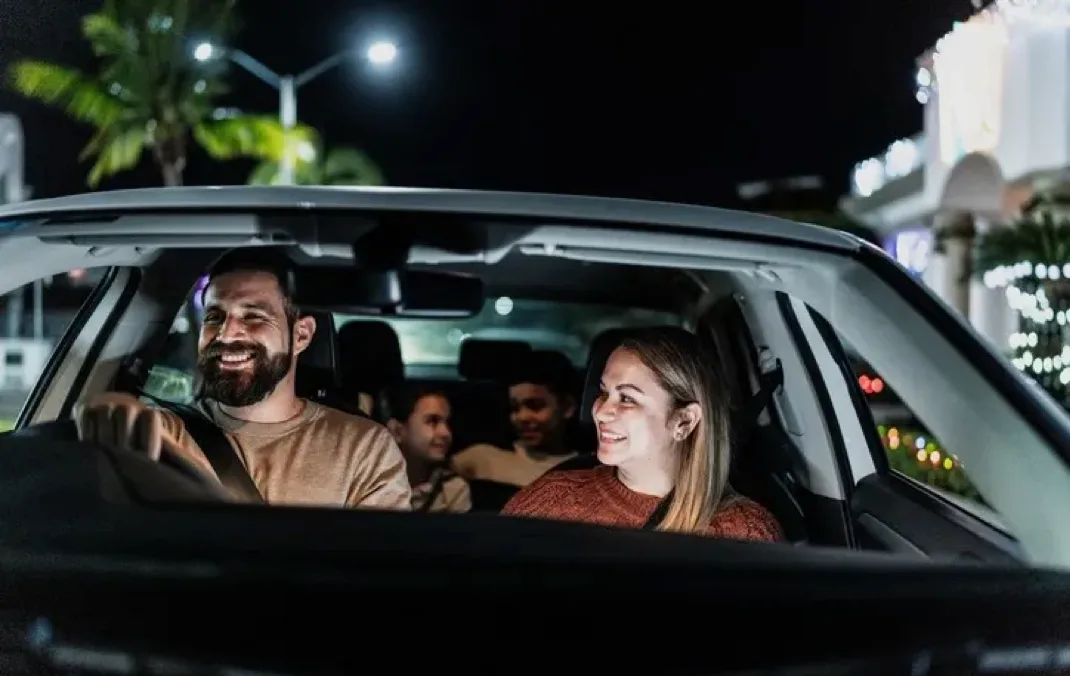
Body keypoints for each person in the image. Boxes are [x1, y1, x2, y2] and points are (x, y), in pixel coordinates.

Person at [73, 248, 413, 509]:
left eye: (253, 316)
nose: (226, 334)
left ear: (302, 335)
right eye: (215, 316)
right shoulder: (164, 434)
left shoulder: (363, 448)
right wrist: (109, 410)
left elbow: (381, 581)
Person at [502, 327, 783, 541]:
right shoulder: (552, 500)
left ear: (684, 421)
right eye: (603, 392)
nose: (599, 411)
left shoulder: (744, 532)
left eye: (627, 399)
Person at [451, 350, 579, 488]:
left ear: (567, 407)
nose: (522, 417)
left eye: (535, 406)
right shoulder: (482, 459)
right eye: (514, 408)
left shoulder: (588, 470)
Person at [384, 384, 471, 513]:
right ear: (397, 431)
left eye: (447, 423)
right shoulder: (370, 482)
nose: (446, 433)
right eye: (432, 421)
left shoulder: (452, 490)